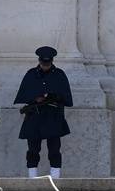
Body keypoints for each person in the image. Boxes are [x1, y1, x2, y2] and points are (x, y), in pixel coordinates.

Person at [13, 46, 73, 179]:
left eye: (48, 63)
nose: (45, 66)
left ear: (51, 62)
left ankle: (55, 176)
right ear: (39, 61)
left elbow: (66, 98)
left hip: (53, 116)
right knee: (33, 149)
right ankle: (32, 176)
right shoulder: (31, 74)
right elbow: (23, 95)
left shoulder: (59, 75)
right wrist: (35, 98)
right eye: (43, 63)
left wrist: (52, 96)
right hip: (35, 116)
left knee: (54, 149)